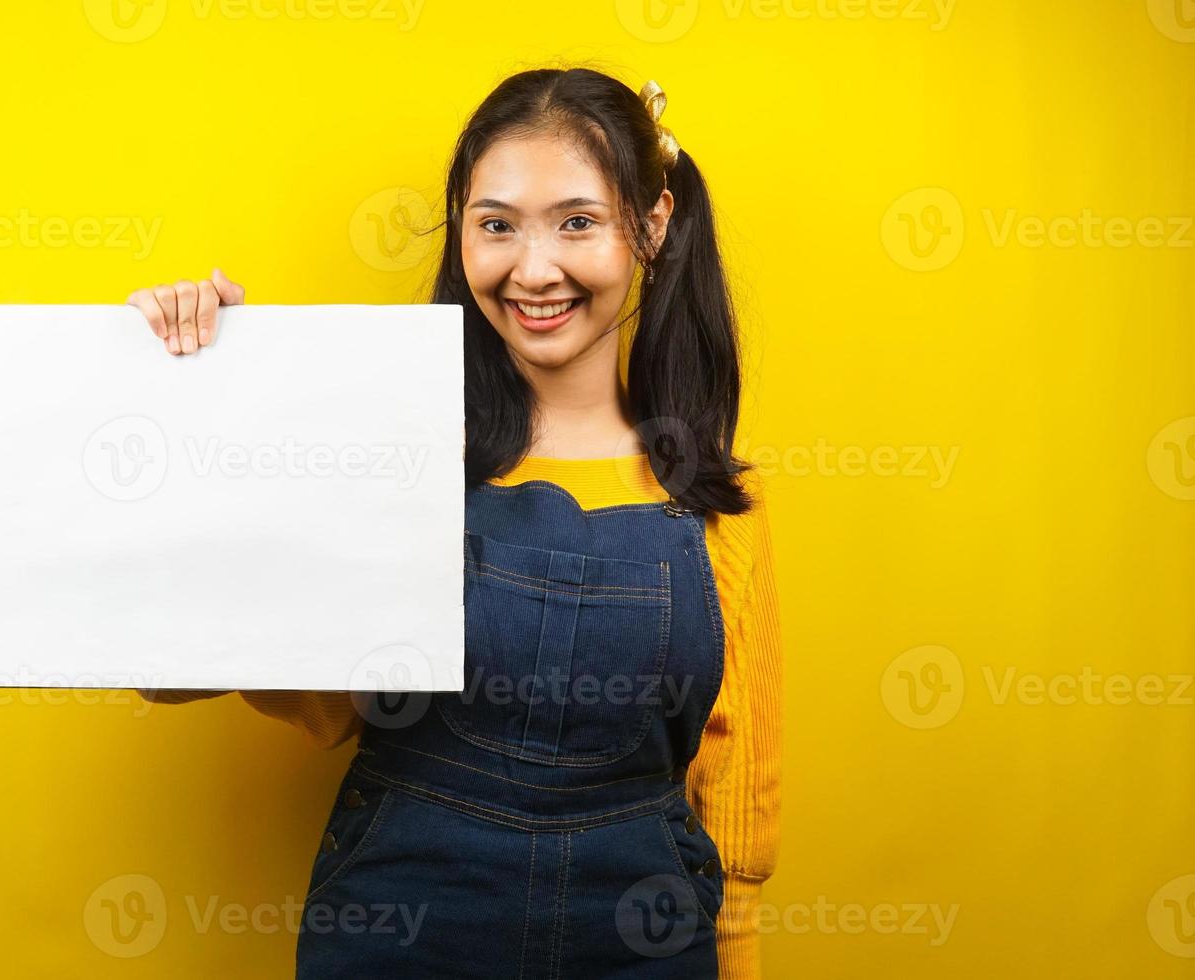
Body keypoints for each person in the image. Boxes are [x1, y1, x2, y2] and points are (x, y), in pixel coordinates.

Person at [132, 66, 782, 979]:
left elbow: (738, 818)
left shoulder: (718, 508)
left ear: (653, 223)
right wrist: (204, 399)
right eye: (496, 224)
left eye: (578, 221)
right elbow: (293, 690)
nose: (533, 267)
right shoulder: (390, 464)